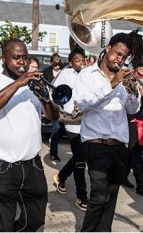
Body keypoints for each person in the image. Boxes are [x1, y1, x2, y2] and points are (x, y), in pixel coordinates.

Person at [0, 38, 60, 231]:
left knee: (36, 220)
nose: (22, 62)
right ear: (4, 59)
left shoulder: (35, 84)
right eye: (16, 58)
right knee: (2, 225)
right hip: (2, 168)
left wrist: (46, 99)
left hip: (33, 165)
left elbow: (54, 116)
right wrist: (19, 84)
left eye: (24, 57)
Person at [73, 30, 143, 232]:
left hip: (119, 146)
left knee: (111, 196)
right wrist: (112, 84)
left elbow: (133, 110)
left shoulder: (124, 79)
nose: (120, 59)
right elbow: (82, 104)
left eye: (124, 57)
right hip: (95, 144)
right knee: (98, 194)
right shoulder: (88, 75)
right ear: (107, 49)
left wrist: (132, 94)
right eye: (118, 54)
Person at [53, 49, 88, 211]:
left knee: (81, 156)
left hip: (87, 120)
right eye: (77, 60)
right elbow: (54, 91)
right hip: (72, 120)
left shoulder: (88, 74)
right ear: (70, 62)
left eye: (83, 60)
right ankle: (82, 196)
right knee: (80, 160)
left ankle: (61, 176)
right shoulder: (65, 74)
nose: (81, 62)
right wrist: (63, 105)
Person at [126, 52, 143, 196]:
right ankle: (140, 184)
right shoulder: (130, 79)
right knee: (135, 151)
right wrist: (137, 92)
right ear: (135, 66)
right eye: (141, 65)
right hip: (132, 119)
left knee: (134, 152)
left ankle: (123, 176)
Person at [43, 52, 64, 161]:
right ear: (51, 63)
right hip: (52, 101)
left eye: (58, 65)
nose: (57, 67)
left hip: (63, 102)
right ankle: (53, 153)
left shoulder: (64, 71)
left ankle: (53, 139)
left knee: (63, 128)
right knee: (56, 127)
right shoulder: (46, 71)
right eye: (55, 65)